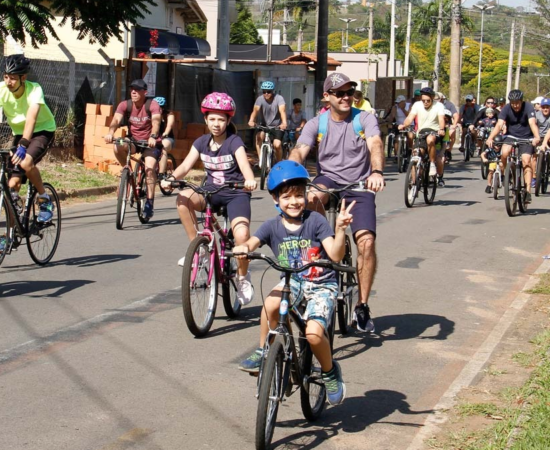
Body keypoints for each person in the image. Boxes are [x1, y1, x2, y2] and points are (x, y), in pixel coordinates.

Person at [235, 161, 349, 405]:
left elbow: (336, 255)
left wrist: (339, 229)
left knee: (314, 334)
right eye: (287, 197)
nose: (294, 201)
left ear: (306, 196)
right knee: (270, 305)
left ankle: (330, 372)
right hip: (292, 281)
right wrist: (242, 248)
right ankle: (264, 350)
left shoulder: (316, 222)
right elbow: (252, 243)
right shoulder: (271, 225)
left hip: (321, 285)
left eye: (299, 195)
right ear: (276, 200)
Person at [290, 72, 386, 333]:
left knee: (366, 243)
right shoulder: (316, 123)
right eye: (340, 93)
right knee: (309, 199)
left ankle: (363, 306)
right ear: (327, 96)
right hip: (328, 180)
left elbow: (375, 143)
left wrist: (376, 172)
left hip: (359, 184)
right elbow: (300, 149)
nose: (346, 97)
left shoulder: (363, 118)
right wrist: (288, 171)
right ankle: (313, 258)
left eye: (350, 92)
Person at [161, 92, 257, 303]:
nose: (216, 124)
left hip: (236, 193)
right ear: (205, 119)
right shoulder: (201, 142)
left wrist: (250, 180)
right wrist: (171, 178)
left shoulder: (234, 142)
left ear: (228, 120)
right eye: (212, 119)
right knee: (183, 198)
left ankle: (242, 278)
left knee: (241, 236)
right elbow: (185, 166)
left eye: (221, 119)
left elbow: (244, 166)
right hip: (210, 192)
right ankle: (199, 250)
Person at [0, 54, 57, 247]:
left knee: (27, 162)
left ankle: (44, 198)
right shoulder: (0, 89)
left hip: (42, 130)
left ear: (23, 78)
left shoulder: (34, 89)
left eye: (13, 78)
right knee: (12, 185)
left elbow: (31, 118)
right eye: (6, 76)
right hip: (20, 134)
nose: (8, 81)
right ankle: (11, 235)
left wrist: (23, 144)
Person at [103, 79, 162, 219]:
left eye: (137, 89)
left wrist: (153, 136)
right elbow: (116, 120)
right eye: (132, 89)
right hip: (134, 140)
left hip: (150, 143)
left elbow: (156, 121)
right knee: (118, 146)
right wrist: (111, 133)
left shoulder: (152, 105)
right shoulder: (125, 105)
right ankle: (127, 172)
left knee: (149, 169)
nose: (133, 92)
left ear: (145, 92)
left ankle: (149, 202)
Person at [486, 89, 541, 203]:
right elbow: (499, 124)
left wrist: (536, 137)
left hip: (527, 137)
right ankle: (507, 174)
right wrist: (490, 138)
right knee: (505, 153)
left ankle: (527, 190)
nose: (515, 105)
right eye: (513, 103)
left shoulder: (528, 107)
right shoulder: (506, 108)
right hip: (511, 135)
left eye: (517, 103)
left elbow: (532, 123)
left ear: (521, 101)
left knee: (526, 160)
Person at [400, 87, 446, 186]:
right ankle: (414, 181)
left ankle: (433, 164)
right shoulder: (417, 105)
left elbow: (441, 119)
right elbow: (410, 117)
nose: (425, 102)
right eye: (423, 100)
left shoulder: (439, 106)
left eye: (428, 101)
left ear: (433, 98)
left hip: (434, 131)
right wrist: (404, 125)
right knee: (416, 154)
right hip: (421, 133)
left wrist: (441, 129)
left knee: (430, 139)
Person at [248, 81, 288, 161]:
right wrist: (251, 120)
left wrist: (284, 123)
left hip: (277, 126)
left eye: (268, 92)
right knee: (259, 137)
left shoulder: (279, 98)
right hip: (264, 125)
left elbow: (282, 111)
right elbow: (255, 111)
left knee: (277, 145)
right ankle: (261, 161)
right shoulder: (260, 99)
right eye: (264, 92)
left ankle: (278, 164)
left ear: (272, 91)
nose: (266, 94)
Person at [533, 98, 550, 188]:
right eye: (543, 107)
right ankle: (534, 177)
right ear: (540, 107)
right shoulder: (536, 115)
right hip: (539, 137)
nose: (545, 109)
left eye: (547, 107)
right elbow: (533, 125)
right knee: (534, 156)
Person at [477, 107, 499, 193]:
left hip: (492, 135)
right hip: (486, 136)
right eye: (488, 113)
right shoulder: (485, 120)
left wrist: (495, 123)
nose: (497, 147)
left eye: (491, 113)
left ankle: (505, 177)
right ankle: (489, 185)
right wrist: (484, 159)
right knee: (490, 171)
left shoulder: (494, 120)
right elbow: (483, 154)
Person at [154, 97, 176, 177]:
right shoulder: (150, 114)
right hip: (154, 138)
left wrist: (165, 133)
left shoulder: (169, 115)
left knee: (162, 146)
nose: (158, 109)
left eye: (160, 107)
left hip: (167, 138)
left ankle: (161, 174)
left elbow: (169, 125)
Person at [436, 92, 460, 162]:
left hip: (447, 124)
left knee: (451, 132)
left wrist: (454, 124)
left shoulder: (449, 105)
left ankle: (448, 151)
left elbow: (455, 115)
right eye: (435, 99)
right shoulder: (432, 105)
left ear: (442, 99)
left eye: (438, 99)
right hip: (435, 124)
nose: (437, 100)